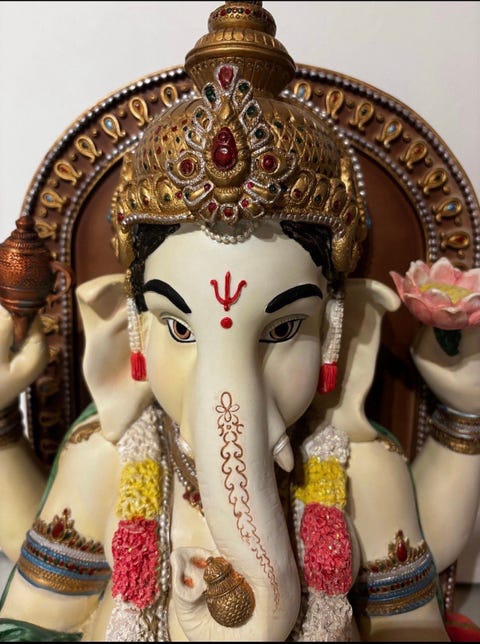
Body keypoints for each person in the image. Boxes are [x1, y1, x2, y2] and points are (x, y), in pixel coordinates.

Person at [0, 1, 479, 641]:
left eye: (282, 331)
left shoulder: (364, 474)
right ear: (128, 332)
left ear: (342, 336)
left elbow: (411, 630)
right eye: (180, 328)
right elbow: (29, 626)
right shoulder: (104, 462)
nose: (228, 385)